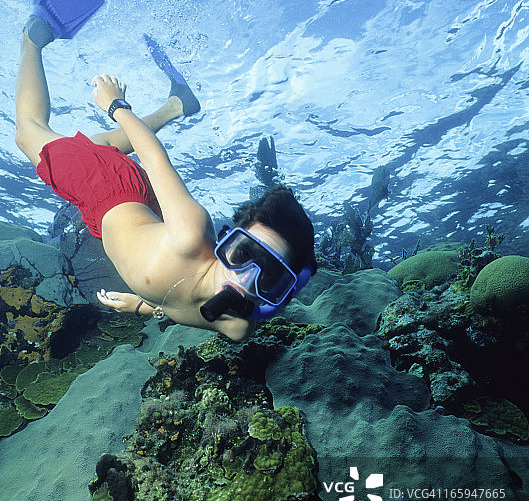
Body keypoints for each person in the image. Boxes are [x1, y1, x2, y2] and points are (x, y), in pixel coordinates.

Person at [15, 23, 317, 342]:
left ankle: (176, 105)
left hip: (118, 210)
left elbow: (176, 307)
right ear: (227, 240)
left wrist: (145, 308)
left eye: (270, 276)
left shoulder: (235, 326)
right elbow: (155, 158)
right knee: (27, 132)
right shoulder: (189, 234)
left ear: (284, 291)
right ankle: (32, 39)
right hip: (107, 189)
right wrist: (116, 106)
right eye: (243, 255)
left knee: (98, 147)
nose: (245, 280)